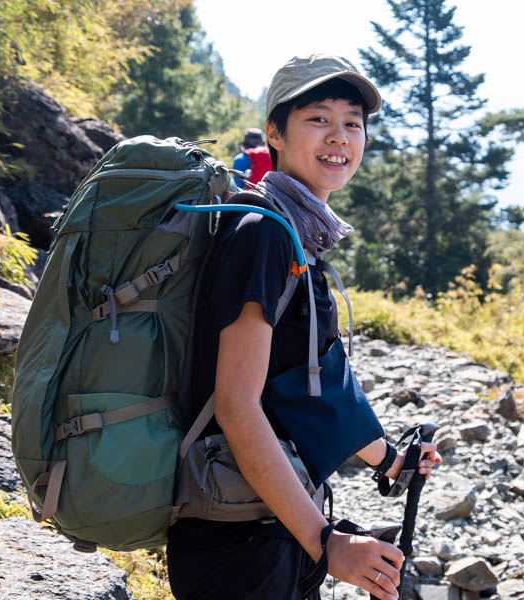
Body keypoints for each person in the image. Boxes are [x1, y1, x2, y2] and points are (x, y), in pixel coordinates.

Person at [166, 54, 441, 600]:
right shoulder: (263, 234)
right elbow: (236, 405)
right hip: (236, 541)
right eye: (319, 119)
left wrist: (391, 459)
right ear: (276, 132)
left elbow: (304, 385)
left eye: (353, 123)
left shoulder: (296, 234)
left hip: (267, 523)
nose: (339, 137)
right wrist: (327, 543)